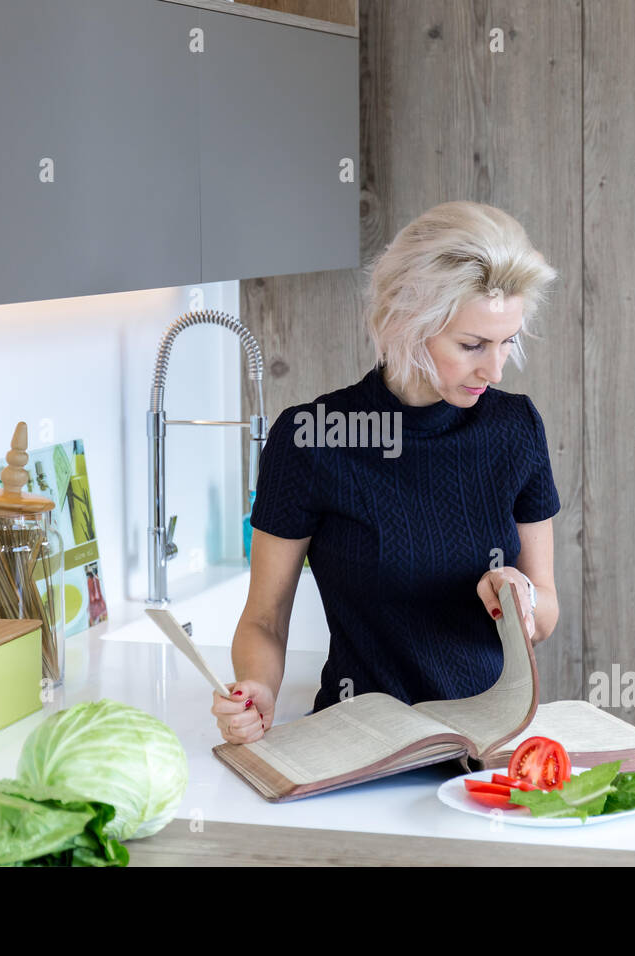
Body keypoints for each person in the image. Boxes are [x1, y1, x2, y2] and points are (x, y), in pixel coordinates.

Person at [212, 201, 561, 744]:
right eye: (471, 345)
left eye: (507, 342)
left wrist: (521, 600)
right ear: (407, 323)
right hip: (358, 745)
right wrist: (257, 688)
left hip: (489, 744)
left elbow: (544, 609)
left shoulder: (515, 428)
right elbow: (264, 617)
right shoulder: (313, 438)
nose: (494, 370)